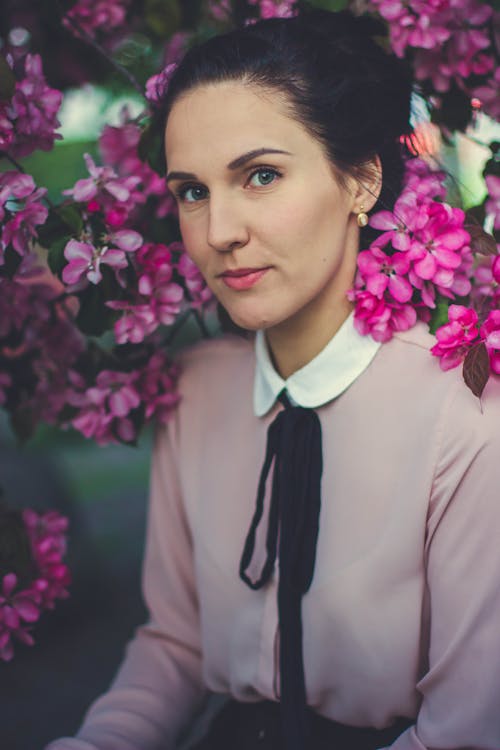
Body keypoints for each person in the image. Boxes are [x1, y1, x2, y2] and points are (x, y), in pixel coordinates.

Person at [46, 9, 500, 750]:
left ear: (360, 181)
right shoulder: (194, 392)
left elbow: (467, 731)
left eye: (260, 175)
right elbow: (176, 644)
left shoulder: (465, 419)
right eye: (192, 190)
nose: (220, 230)